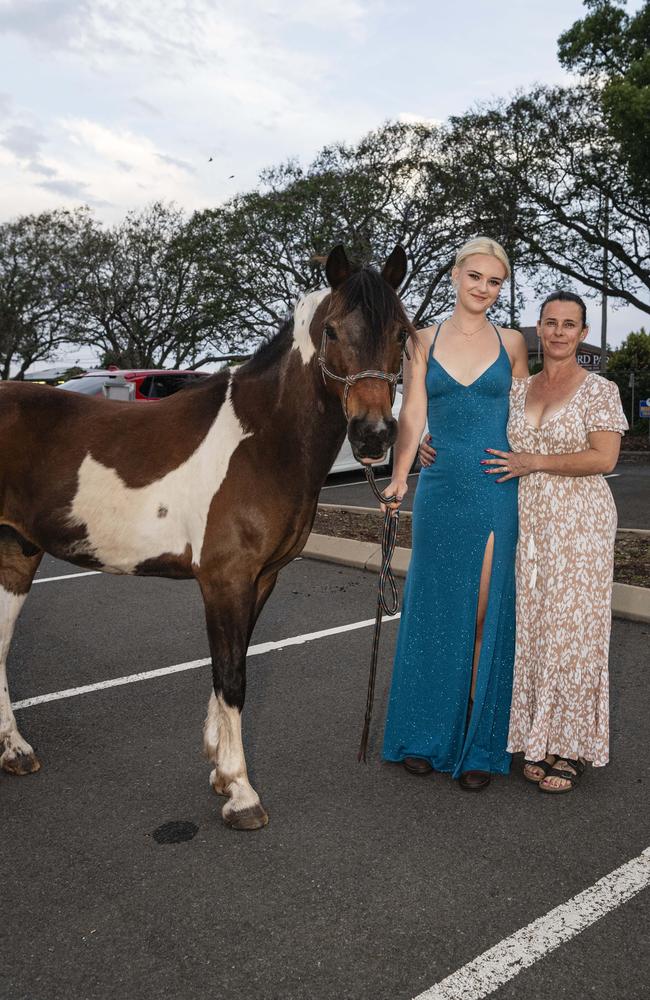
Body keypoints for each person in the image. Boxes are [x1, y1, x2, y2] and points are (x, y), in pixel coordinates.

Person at [381, 237, 529, 791]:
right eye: (475, 277)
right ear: (454, 275)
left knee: (483, 610)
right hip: (440, 490)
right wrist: (402, 474)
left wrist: (534, 461)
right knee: (436, 611)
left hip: (496, 487)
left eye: (495, 282)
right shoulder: (421, 340)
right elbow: (412, 411)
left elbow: (524, 414)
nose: (484, 290)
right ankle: (423, 734)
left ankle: (477, 742)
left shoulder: (513, 342)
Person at [481, 291, 628, 793]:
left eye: (570, 324)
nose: (560, 332)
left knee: (577, 633)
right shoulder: (518, 391)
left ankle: (573, 746)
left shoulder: (600, 389)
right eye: (551, 323)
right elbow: (480, 427)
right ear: (538, 330)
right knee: (537, 629)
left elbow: (604, 458)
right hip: (530, 522)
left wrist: (535, 462)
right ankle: (537, 736)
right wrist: (433, 443)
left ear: (582, 334)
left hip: (580, 523)